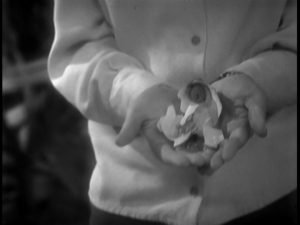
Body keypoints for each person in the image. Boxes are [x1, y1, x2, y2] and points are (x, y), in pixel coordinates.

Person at [48, 0, 297, 224]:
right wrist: (132, 91)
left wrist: (260, 80)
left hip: (265, 189)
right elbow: (77, 50)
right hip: (130, 194)